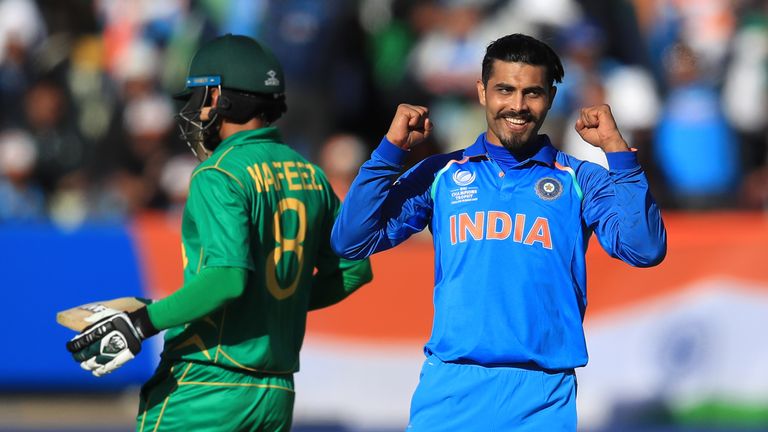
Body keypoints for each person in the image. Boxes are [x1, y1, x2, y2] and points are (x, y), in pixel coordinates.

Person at [331, 33, 666, 430]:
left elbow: (644, 249)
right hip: (450, 390)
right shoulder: (442, 174)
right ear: (482, 92)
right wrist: (389, 151)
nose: (518, 106)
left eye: (532, 93)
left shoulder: (580, 179)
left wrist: (616, 151)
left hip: (542, 396)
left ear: (551, 97)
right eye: (505, 90)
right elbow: (350, 240)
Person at [66, 34, 373, 431]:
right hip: (276, 393)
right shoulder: (311, 175)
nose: (196, 110)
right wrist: (269, 306)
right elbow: (354, 270)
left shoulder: (219, 173)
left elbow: (227, 279)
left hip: (207, 382)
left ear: (222, 97)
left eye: (202, 96)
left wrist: (143, 323)